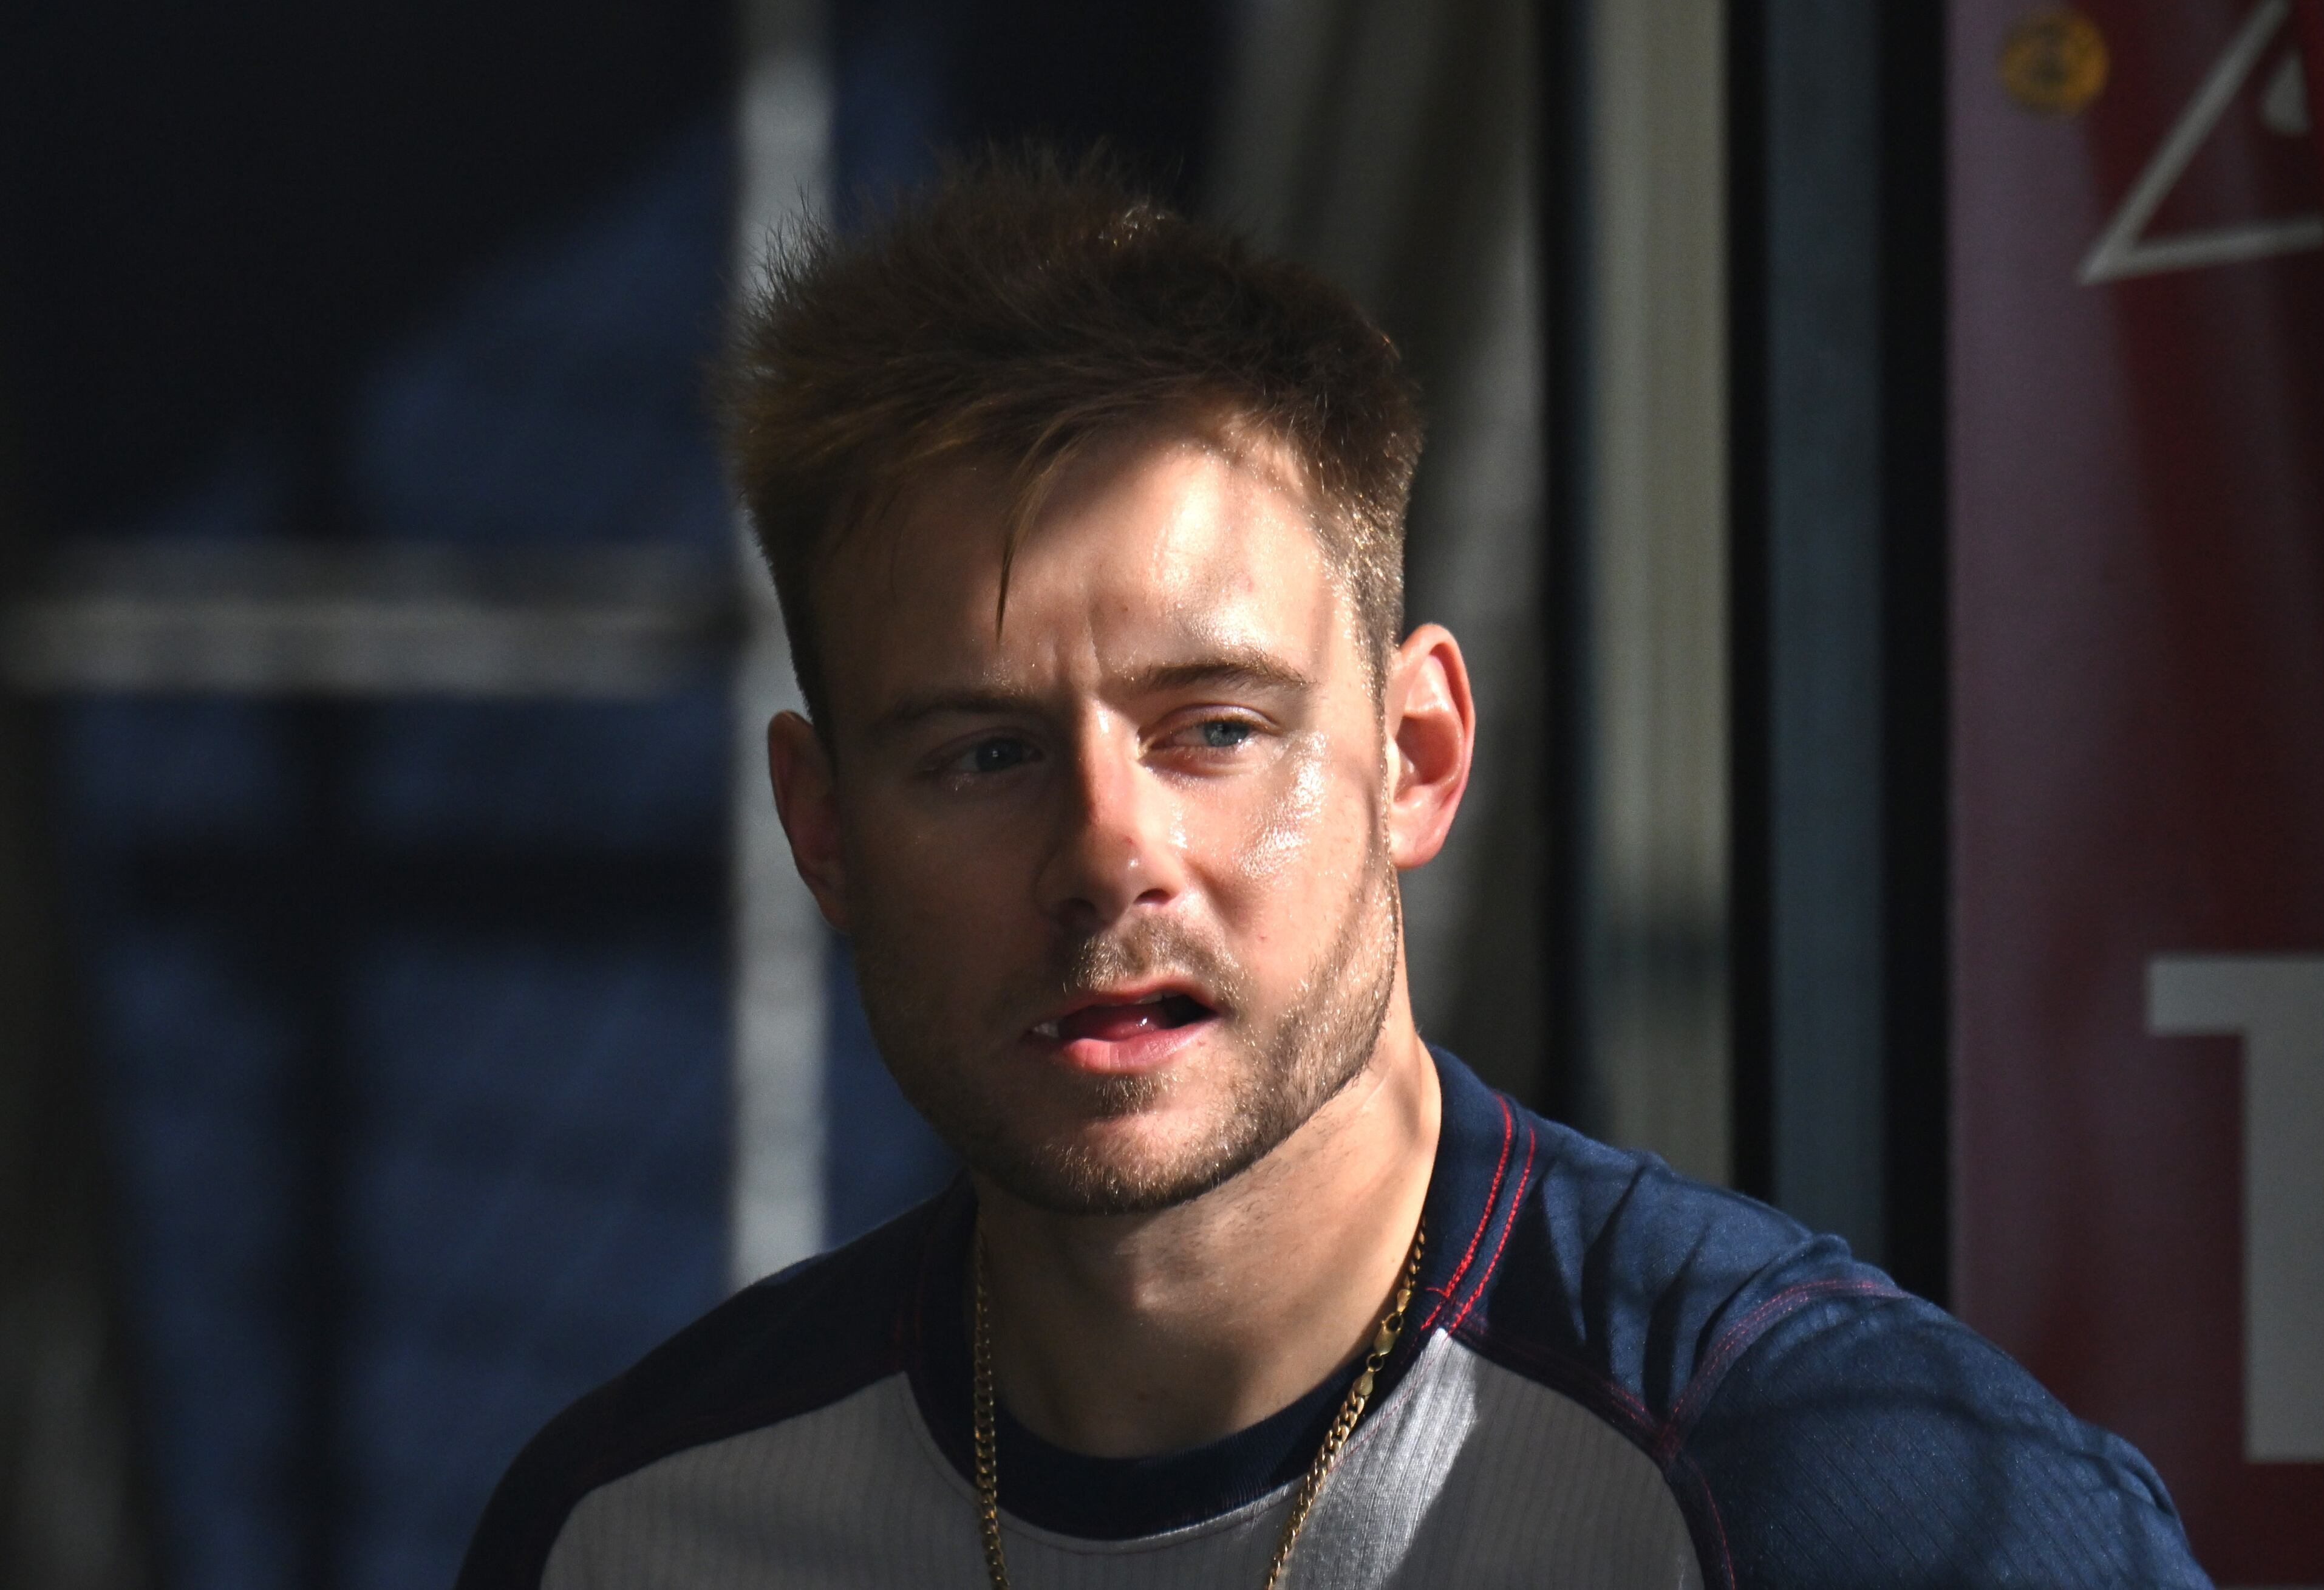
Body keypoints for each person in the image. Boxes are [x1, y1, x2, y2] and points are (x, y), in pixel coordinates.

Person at [456, 153, 2209, 1589]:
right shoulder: (637, 1532)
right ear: (822, 830)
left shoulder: (1831, 1494)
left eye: (1213, 727)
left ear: (1417, 757)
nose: (1109, 851)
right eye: (983, 752)